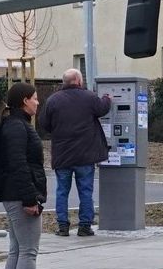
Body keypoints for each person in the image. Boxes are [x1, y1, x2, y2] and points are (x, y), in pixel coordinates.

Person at [0, 82, 54, 269]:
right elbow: (20, 166)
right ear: (24, 101)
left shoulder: (12, 125)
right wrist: (30, 199)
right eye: (34, 98)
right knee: (28, 252)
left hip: (13, 195)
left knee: (17, 250)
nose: (38, 102)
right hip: (21, 197)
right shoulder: (18, 128)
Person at [42, 69, 111, 237]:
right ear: (79, 81)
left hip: (62, 155)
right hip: (85, 155)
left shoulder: (53, 100)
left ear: (64, 82)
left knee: (61, 191)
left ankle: (63, 226)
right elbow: (102, 109)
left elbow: (44, 124)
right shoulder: (89, 97)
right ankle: (84, 226)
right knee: (86, 191)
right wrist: (107, 99)